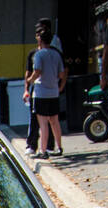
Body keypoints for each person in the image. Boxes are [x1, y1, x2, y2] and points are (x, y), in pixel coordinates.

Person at [24, 22, 66, 159]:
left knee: (43, 123)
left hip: (41, 92)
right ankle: (59, 147)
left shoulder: (39, 55)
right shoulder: (56, 54)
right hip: (53, 91)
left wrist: (30, 80)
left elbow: (37, 71)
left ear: (40, 40)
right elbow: (62, 74)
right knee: (54, 120)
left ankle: (43, 150)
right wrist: (60, 85)